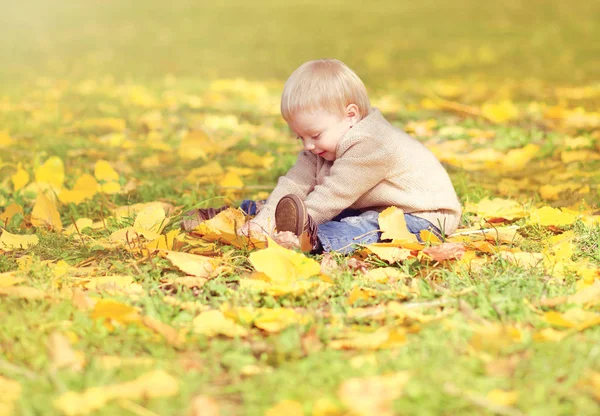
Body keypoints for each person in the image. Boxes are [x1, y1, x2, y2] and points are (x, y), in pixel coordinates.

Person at [188, 58, 462, 254]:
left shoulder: (373, 144)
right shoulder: (323, 144)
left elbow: (332, 196)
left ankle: (312, 239)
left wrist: (297, 226)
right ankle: (246, 214)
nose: (307, 145)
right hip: (372, 204)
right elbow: (294, 183)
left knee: (364, 227)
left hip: (422, 216)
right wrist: (265, 222)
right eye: (300, 137)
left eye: (315, 135)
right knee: (293, 202)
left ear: (350, 116)